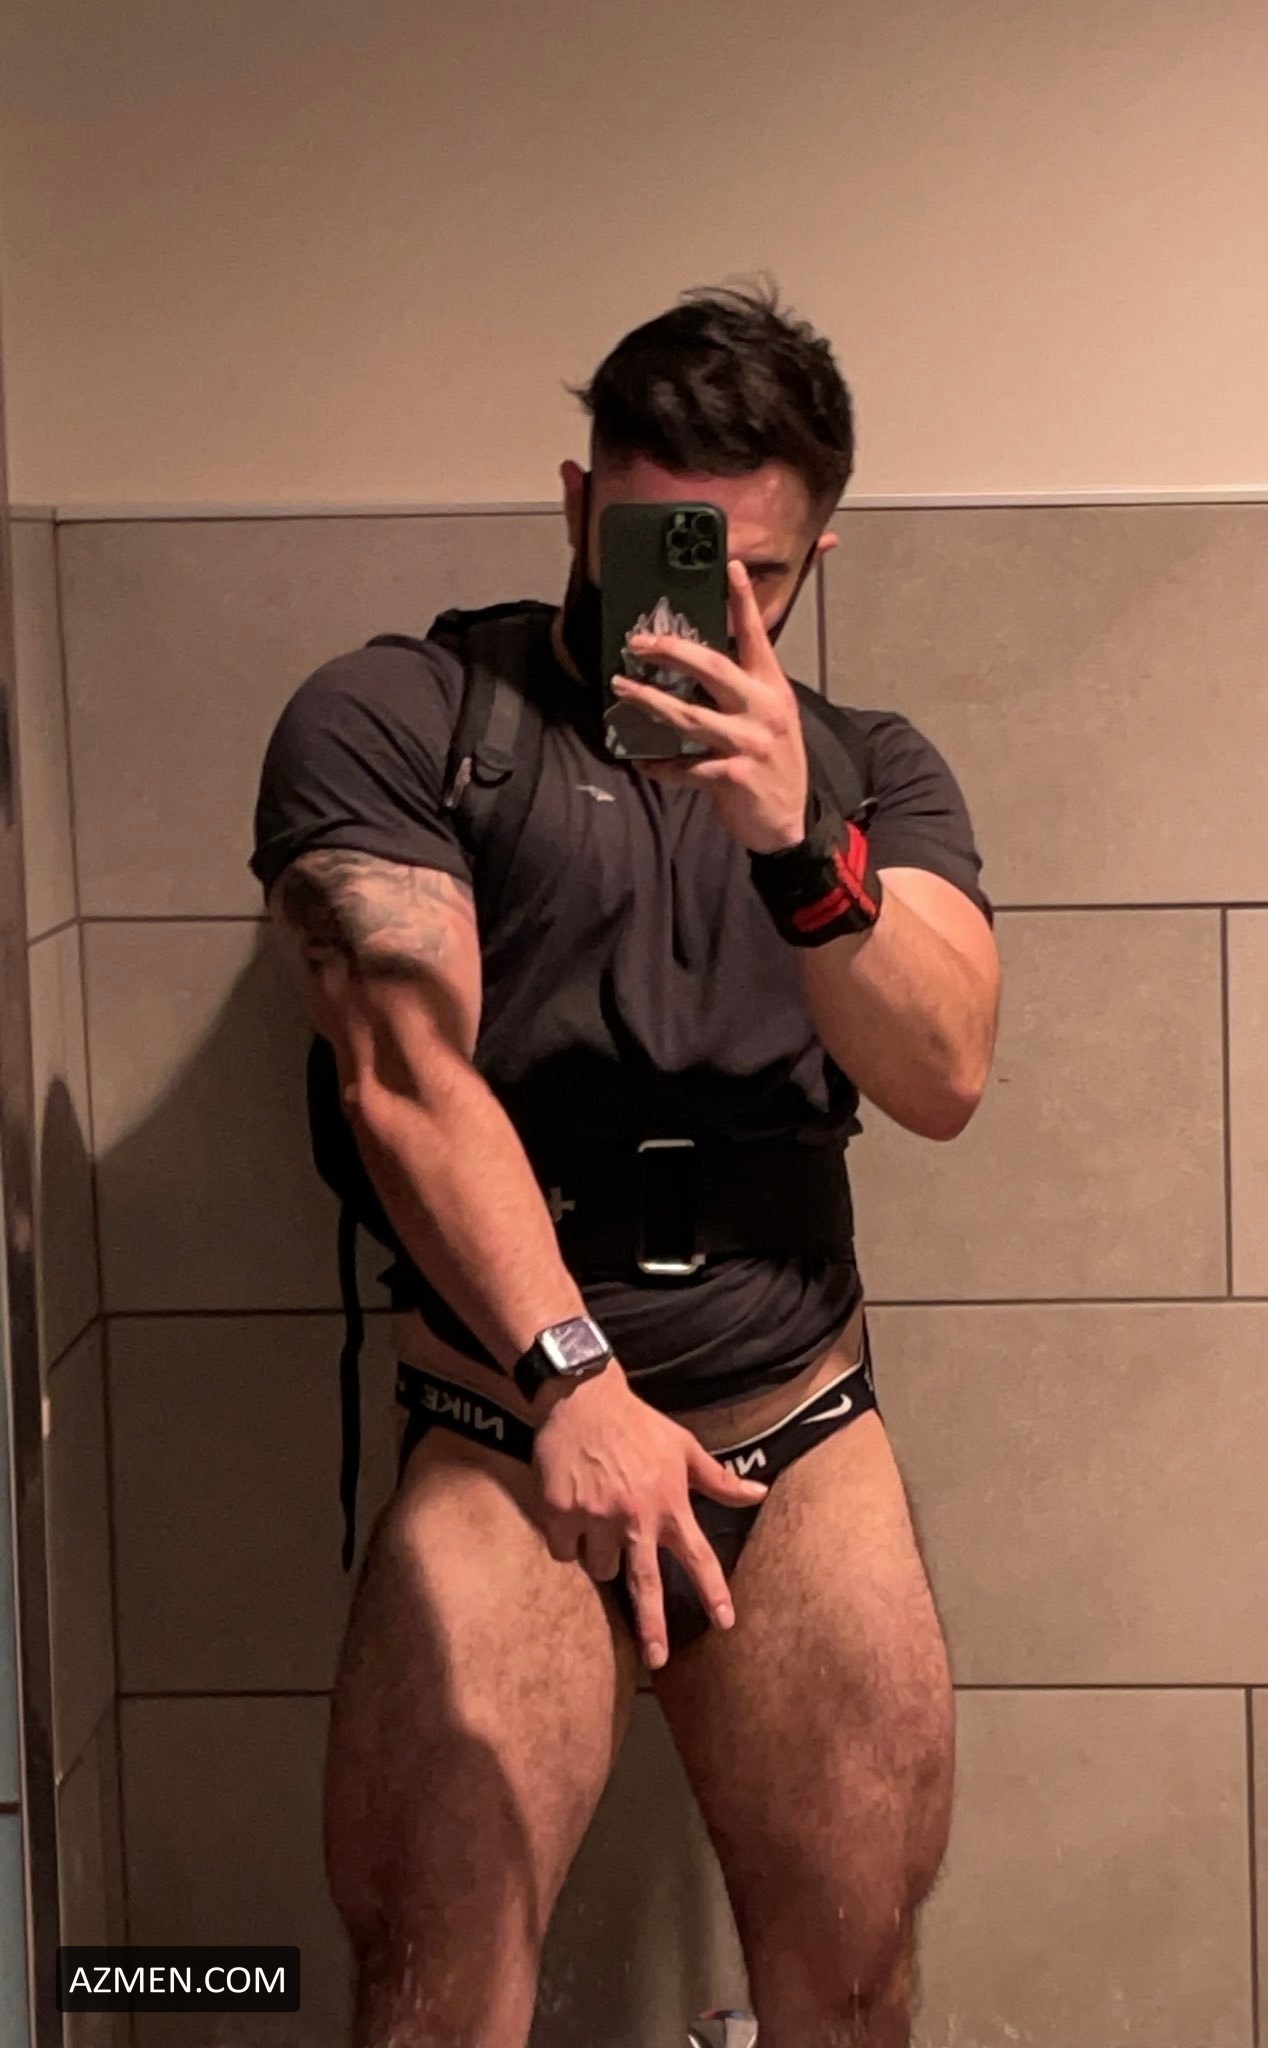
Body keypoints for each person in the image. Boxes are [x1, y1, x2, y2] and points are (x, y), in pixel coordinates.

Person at [251, 284, 1000, 2048]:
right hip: (510, 1420)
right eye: (665, 545)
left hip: (790, 1422)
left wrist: (796, 846)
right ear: (584, 505)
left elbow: (946, 1071)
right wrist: (571, 1375)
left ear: (815, 558)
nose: (706, 607)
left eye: (760, 572)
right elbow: (404, 1074)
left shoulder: (869, 767)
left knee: (855, 1984)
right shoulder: (402, 717)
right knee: (435, 2000)